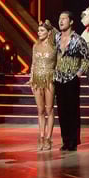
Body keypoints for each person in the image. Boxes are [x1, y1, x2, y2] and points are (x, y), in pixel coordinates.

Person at [53, 10, 89, 152]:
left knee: (72, 111)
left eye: (64, 18)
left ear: (71, 21)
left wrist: (79, 74)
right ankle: (65, 140)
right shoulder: (56, 38)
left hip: (71, 79)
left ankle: (73, 142)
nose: (61, 21)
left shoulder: (78, 40)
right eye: (60, 18)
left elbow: (87, 59)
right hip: (59, 78)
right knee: (62, 111)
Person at [29, 20, 56, 151]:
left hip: (49, 79)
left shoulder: (54, 47)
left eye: (42, 30)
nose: (39, 33)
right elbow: (33, 63)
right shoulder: (35, 46)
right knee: (40, 110)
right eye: (38, 30)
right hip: (37, 80)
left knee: (49, 109)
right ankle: (41, 136)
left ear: (49, 32)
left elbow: (58, 64)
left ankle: (48, 138)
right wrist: (31, 79)